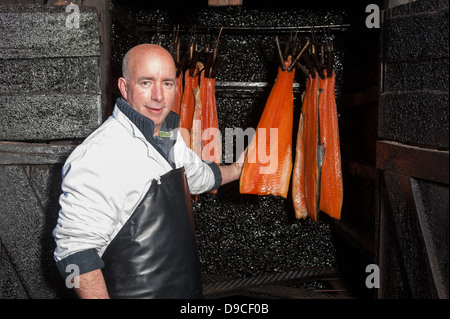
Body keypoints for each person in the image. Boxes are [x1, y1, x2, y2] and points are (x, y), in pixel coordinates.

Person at [52, 44, 244, 299]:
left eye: (167, 83)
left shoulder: (169, 136)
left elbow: (197, 177)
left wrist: (239, 169)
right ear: (124, 87)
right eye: (146, 82)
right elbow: (74, 253)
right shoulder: (98, 154)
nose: (158, 96)